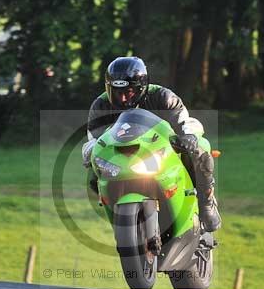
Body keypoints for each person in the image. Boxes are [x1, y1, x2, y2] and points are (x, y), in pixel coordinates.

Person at [82, 56, 221, 232]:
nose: (123, 98)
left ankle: (207, 203)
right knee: (95, 177)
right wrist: (90, 152)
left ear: (141, 87)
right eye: (117, 93)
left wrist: (189, 137)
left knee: (201, 148)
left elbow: (186, 122)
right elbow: (93, 141)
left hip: (161, 152)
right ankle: (120, 220)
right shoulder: (100, 105)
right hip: (121, 159)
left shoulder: (163, 97)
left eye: (129, 92)